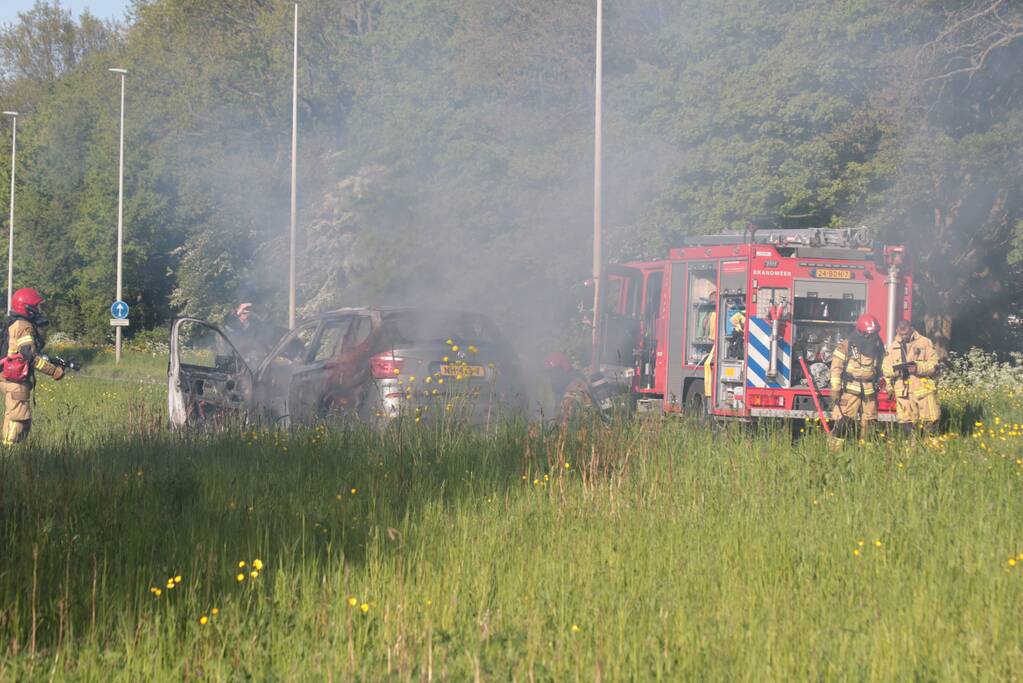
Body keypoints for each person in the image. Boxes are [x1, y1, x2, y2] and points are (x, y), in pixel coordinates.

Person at [0, 288, 64, 445]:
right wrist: (54, 371)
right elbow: (30, 356)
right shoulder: (24, 326)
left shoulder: (14, 322)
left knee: (16, 416)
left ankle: (11, 451)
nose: (38, 310)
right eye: (36, 307)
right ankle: (10, 455)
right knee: (18, 419)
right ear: (27, 308)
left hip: (9, 379)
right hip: (16, 383)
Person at [829, 314, 883, 440]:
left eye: (875, 333)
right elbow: (836, 368)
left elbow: (881, 365)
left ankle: (867, 456)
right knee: (843, 424)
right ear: (861, 333)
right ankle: (834, 454)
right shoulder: (845, 346)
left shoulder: (877, 346)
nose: (873, 337)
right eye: (870, 334)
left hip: (869, 392)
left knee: (870, 426)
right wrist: (836, 389)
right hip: (850, 392)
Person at [882, 320, 940, 435]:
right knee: (906, 425)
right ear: (897, 331)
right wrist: (896, 373)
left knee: (930, 421)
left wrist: (917, 368)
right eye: (901, 334)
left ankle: (932, 450)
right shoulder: (893, 347)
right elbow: (886, 370)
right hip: (903, 393)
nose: (904, 337)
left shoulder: (925, 342)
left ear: (912, 329)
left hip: (923, 390)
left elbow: (935, 366)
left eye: (906, 334)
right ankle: (909, 451)